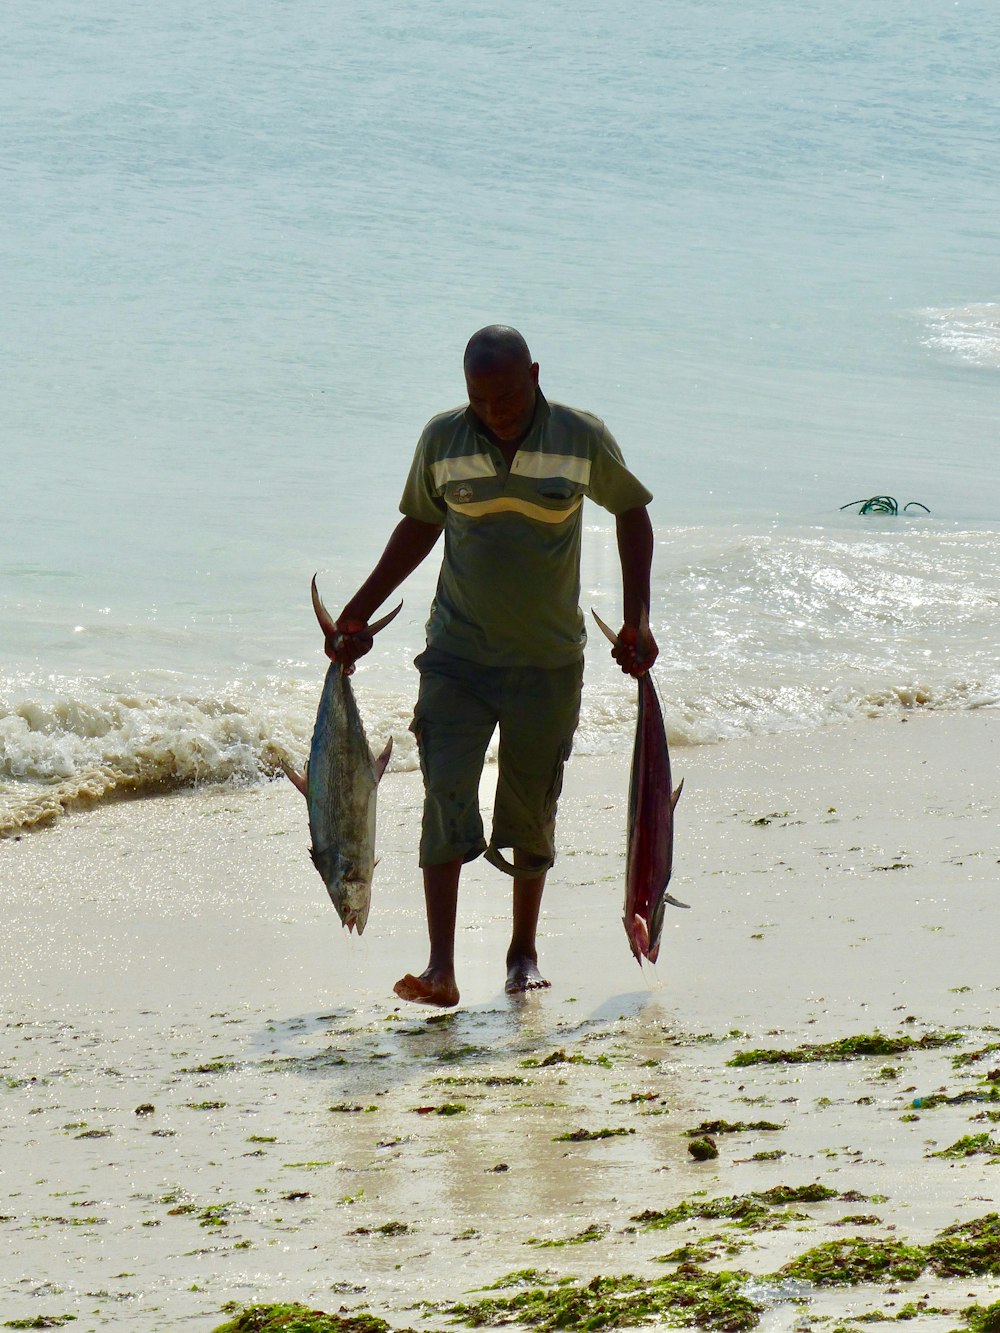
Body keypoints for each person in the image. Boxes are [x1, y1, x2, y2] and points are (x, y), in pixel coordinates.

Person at [325, 326, 657, 1007]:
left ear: (535, 374)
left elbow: (631, 509)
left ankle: (521, 952)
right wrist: (357, 611)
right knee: (444, 798)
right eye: (480, 398)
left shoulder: (579, 436)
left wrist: (638, 617)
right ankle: (441, 966)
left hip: (547, 658)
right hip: (456, 653)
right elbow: (420, 525)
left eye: (505, 396)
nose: (495, 411)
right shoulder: (443, 439)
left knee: (532, 808)